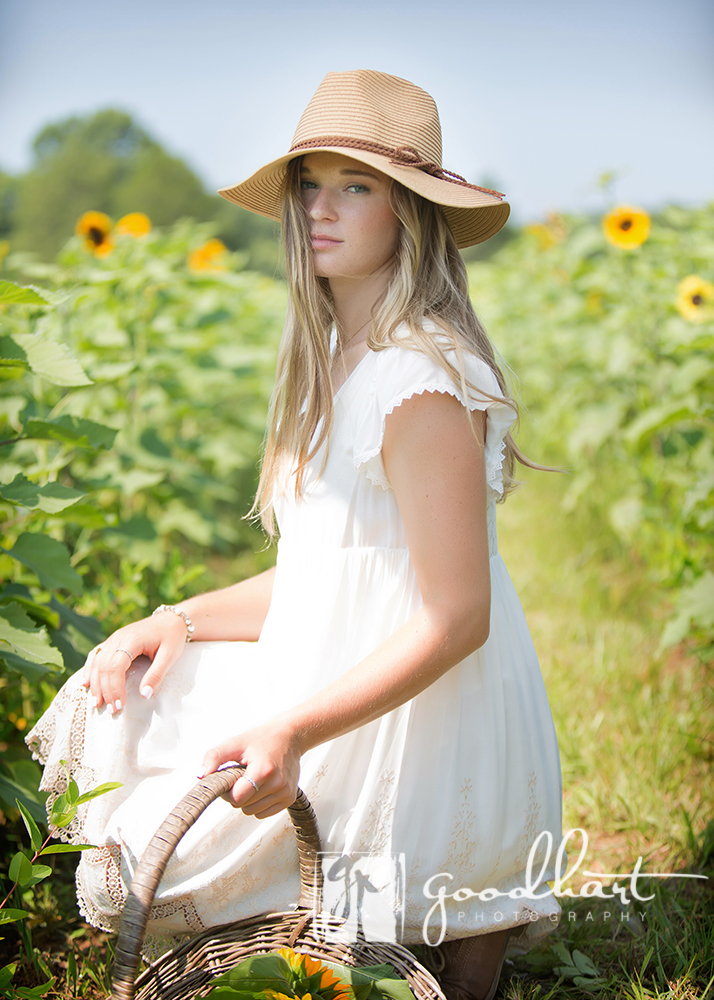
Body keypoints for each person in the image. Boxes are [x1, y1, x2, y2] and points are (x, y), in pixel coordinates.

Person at [26, 70, 564, 1000]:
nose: (321, 208)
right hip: (334, 655)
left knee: (203, 796)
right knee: (128, 690)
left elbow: (458, 615)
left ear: (411, 213)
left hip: (415, 705)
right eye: (311, 184)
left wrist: (293, 728)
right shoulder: (343, 361)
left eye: (355, 186)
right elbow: (324, 573)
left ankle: (419, 935)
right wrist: (178, 616)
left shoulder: (421, 380)